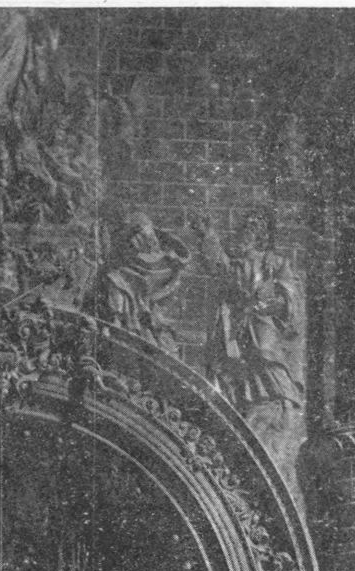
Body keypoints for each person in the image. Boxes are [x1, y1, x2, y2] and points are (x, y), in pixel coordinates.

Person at [194, 210, 306, 500]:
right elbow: (219, 267)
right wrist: (208, 236)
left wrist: (267, 301)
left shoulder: (275, 263)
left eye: (252, 230)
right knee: (238, 380)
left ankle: (275, 403)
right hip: (237, 335)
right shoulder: (236, 265)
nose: (245, 234)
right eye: (244, 229)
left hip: (262, 331)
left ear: (260, 236)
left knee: (269, 370)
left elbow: (290, 300)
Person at [104, 213, 191, 353]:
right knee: (117, 279)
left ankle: (126, 321)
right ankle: (118, 317)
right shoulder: (128, 246)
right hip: (136, 277)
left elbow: (173, 266)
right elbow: (125, 256)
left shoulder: (166, 259)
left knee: (123, 280)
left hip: (151, 284)